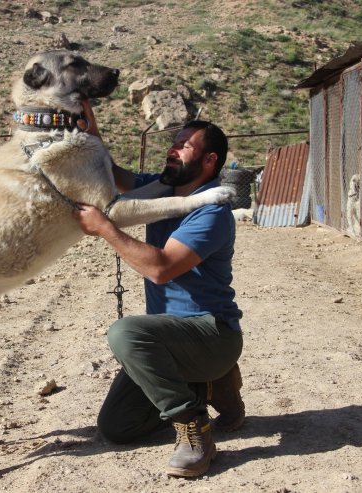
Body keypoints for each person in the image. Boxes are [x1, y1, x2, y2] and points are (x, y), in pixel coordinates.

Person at [73, 101, 245, 478]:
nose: (173, 148)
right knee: (117, 427)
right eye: (174, 141)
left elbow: (161, 269)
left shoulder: (210, 211)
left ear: (209, 160)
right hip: (172, 340)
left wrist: (106, 228)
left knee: (126, 333)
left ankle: (193, 427)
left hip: (211, 333)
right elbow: (113, 174)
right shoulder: (164, 188)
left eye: (184, 145)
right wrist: (91, 126)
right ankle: (206, 388)